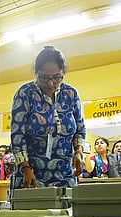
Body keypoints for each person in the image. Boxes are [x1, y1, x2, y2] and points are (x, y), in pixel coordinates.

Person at [10, 45, 86, 189]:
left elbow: (80, 129)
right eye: (44, 77)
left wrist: (78, 152)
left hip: (65, 175)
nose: (51, 83)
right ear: (35, 72)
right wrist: (25, 168)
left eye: (57, 77)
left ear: (63, 72)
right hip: (31, 175)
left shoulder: (71, 93)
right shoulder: (25, 93)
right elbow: (17, 135)